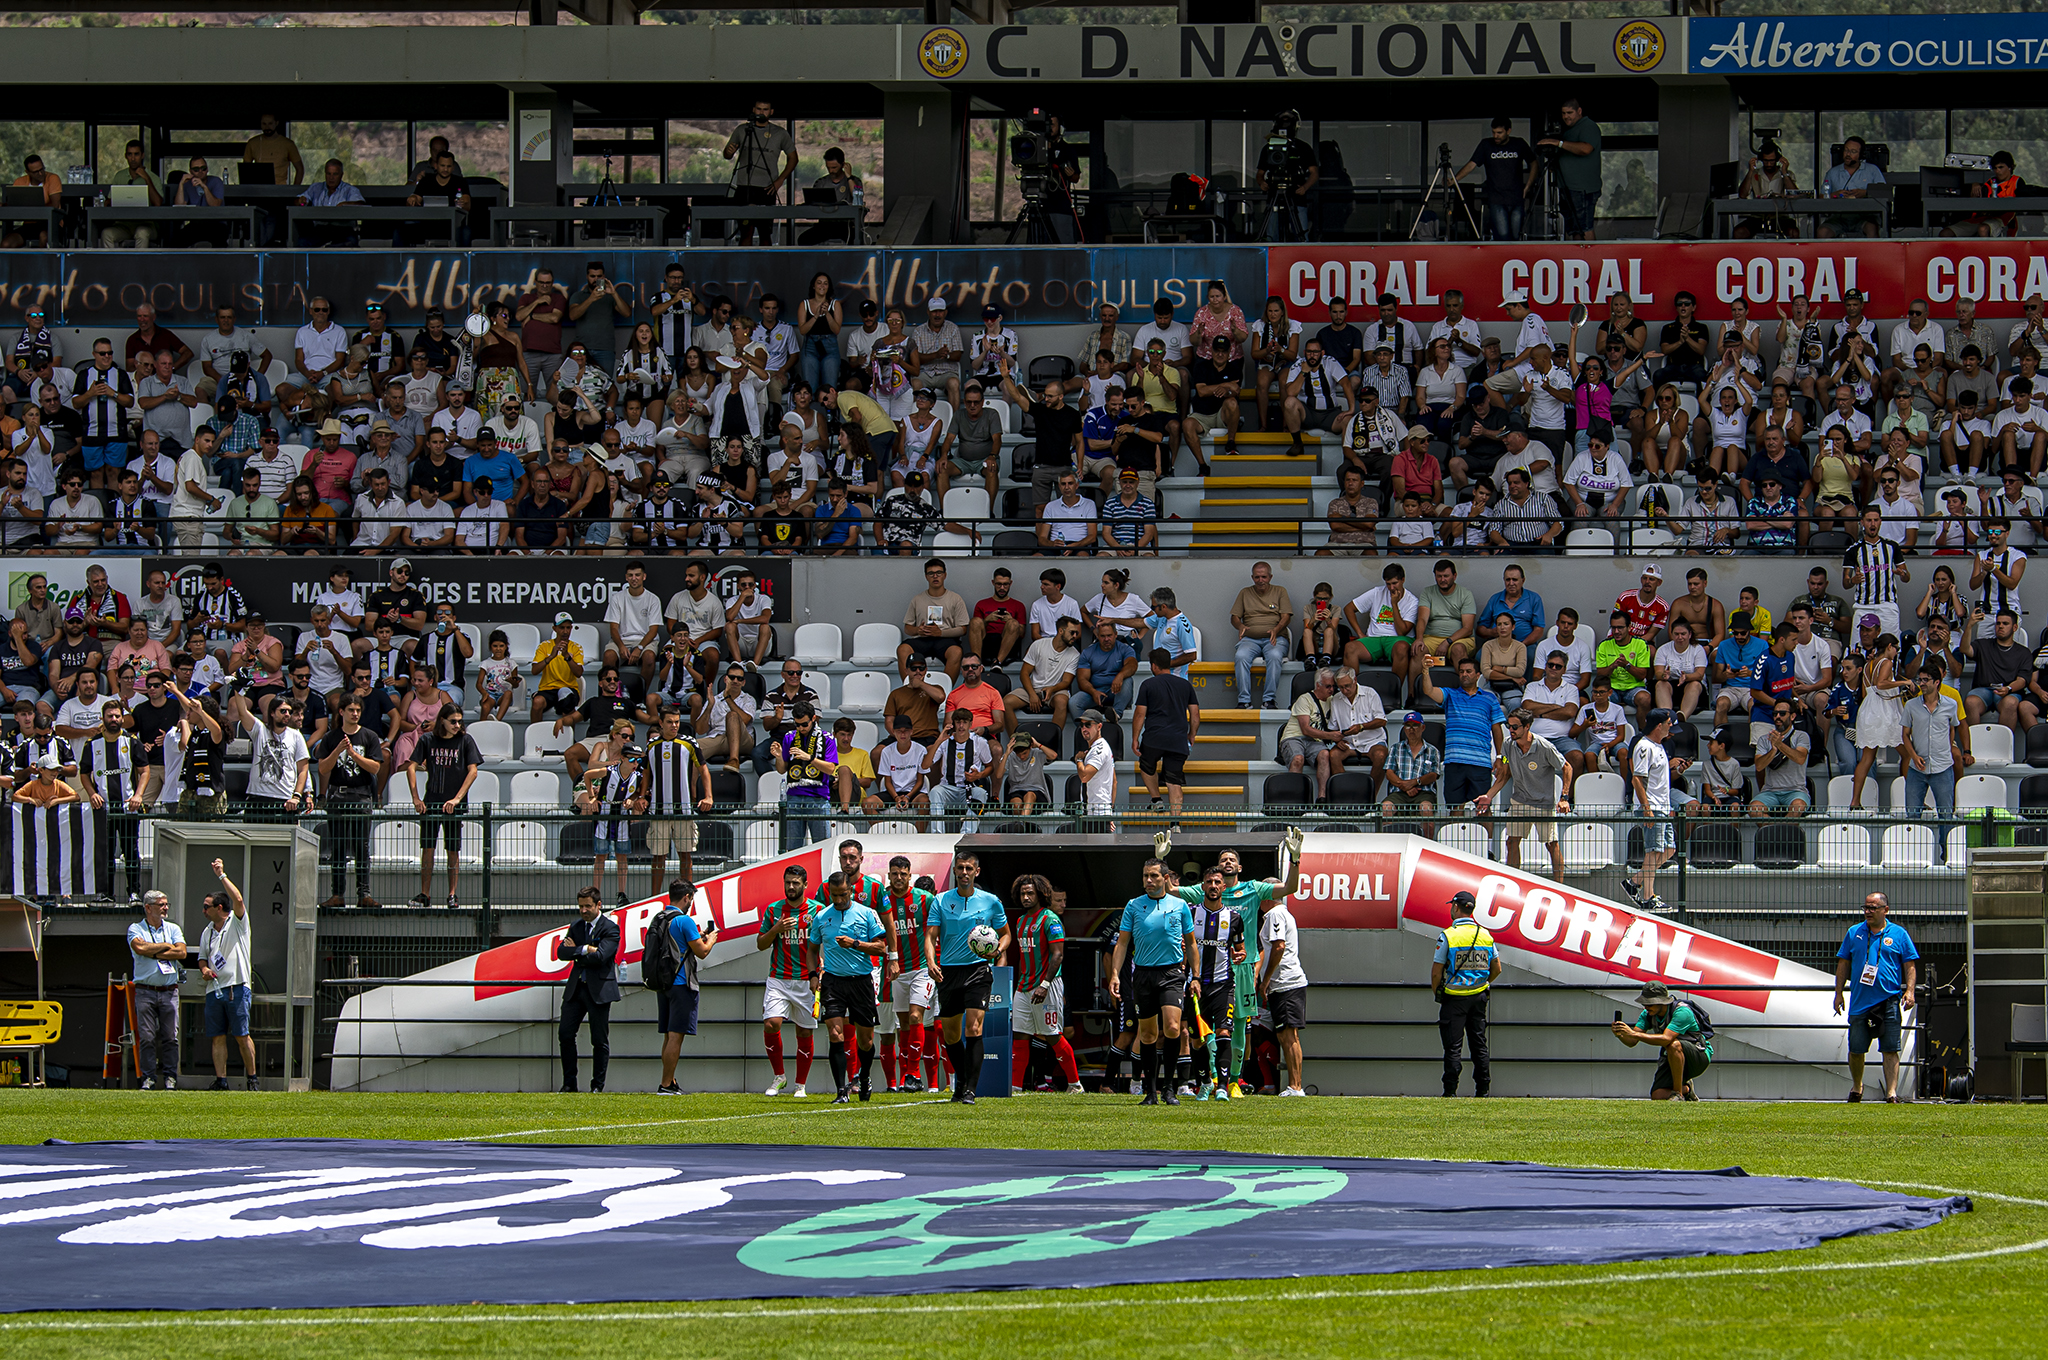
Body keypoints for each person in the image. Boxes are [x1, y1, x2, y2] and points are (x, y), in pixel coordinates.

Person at [924, 850, 1009, 1105]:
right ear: (954, 871)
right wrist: (930, 962)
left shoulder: (991, 901)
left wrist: (998, 949)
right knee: (950, 1035)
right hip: (948, 971)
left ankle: (970, 1090)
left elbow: (1006, 934)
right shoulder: (940, 901)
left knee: (974, 1028)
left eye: (969, 869)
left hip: (978, 970)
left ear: (976, 872)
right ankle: (961, 1081)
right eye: (960, 868)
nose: (964, 873)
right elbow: (930, 936)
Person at [803, 869, 888, 1103]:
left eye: (842, 895)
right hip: (832, 981)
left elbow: (881, 948)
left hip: (861, 981)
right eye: (834, 895)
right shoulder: (822, 917)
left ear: (851, 890)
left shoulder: (867, 914)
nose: (839, 900)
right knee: (834, 1033)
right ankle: (841, 1090)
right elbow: (811, 949)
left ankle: (865, 1076)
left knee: (866, 1040)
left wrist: (855, 944)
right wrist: (812, 975)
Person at [1833, 892, 1922, 1103]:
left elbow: (1909, 964)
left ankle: (1891, 1093)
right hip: (1860, 1002)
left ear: (1885, 910)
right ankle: (1857, 1088)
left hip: (1889, 1000)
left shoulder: (1899, 934)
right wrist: (1838, 993)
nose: (1868, 912)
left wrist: (1910, 991)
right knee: (1856, 1049)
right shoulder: (1854, 933)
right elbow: (1843, 963)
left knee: (1891, 1048)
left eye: (1873, 908)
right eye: (1865, 908)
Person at [405, 704, 480, 909]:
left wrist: (457, 799)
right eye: (453, 721)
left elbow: (472, 771)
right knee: (428, 849)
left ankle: (452, 894)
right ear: (442, 721)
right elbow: (411, 766)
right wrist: (415, 798)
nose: (457, 725)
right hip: (431, 802)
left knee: (453, 850)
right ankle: (425, 894)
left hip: (454, 805)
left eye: (459, 721)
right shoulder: (427, 739)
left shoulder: (465, 740)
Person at [194, 859, 258, 1091]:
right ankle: (221, 1080)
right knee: (217, 1036)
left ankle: (252, 1079)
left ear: (219, 908)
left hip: (238, 987)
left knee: (242, 1035)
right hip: (214, 990)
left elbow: (238, 900)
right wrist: (204, 970)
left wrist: (221, 875)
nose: (203, 911)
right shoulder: (208, 931)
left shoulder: (238, 923)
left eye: (206, 906)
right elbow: (202, 958)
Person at [1487, 708, 1573, 875]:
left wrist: (1564, 797)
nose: (1510, 730)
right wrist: (1488, 796)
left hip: (1544, 804)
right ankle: (1514, 881)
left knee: (1551, 844)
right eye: (1508, 726)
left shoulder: (1544, 746)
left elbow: (1567, 767)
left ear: (1527, 727)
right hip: (1519, 801)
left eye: (1515, 727)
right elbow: (1504, 774)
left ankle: (1560, 888)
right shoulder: (1507, 744)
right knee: (1511, 842)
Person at [1434, 890, 1502, 1097]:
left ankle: (1450, 1091)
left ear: (1455, 907)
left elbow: (1437, 971)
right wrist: (1482, 983)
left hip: (1454, 998)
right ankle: (1483, 1090)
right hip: (1479, 998)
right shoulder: (1485, 935)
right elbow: (1497, 968)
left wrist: (1438, 992)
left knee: (1453, 1047)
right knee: (1479, 1045)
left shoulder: (1448, 935)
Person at [554, 888, 620, 1093]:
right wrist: (584, 948)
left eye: (588, 906)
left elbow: (601, 957)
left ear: (599, 905)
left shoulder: (611, 928)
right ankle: (569, 1083)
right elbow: (561, 952)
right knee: (565, 1034)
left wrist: (578, 952)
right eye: (581, 906)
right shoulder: (576, 926)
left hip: (599, 990)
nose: (584, 910)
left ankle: (597, 1086)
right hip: (576, 989)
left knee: (599, 1039)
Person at [125, 887, 185, 1089]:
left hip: (169, 991)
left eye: (166, 904)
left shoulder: (173, 928)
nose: (166, 908)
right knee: (148, 1037)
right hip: (145, 991)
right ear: (148, 908)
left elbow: (182, 953)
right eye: (161, 905)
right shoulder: (136, 928)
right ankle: (148, 1077)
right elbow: (139, 948)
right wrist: (167, 946)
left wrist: (153, 952)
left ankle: (170, 1077)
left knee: (170, 1037)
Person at [1132, 646, 1198, 829]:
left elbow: (1139, 714)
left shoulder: (1148, 685)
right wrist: (1191, 734)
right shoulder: (1185, 685)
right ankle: (1175, 823)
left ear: (1153, 666)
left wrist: (1135, 738)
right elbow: (1195, 714)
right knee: (1174, 780)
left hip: (1154, 737)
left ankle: (1156, 799)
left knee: (1146, 764)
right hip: (1178, 739)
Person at [1611, 981, 1709, 1101]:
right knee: (1657, 1095)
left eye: (1650, 1004)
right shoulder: (1647, 1014)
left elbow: (1666, 1039)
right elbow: (1632, 1041)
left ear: (1662, 1002)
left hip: (1698, 1056)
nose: (1646, 1007)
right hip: (1672, 1056)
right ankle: (1687, 1089)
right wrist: (1621, 1034)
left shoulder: (1682, 1012)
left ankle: (1678, 1094)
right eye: (1644, 1003)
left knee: (1673, 1044)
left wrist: (1632, 1033)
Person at [1255, 883, 1309, 1097]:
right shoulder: (1281, 914)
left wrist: (1265, 980)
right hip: (1285, 983)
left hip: (1286, 983)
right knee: (1286, 1035)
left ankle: (1296, 1087)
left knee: (1288, 1036)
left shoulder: (1275, 914)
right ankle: (1294, 1086)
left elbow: (1279, 946)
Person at [721, 99, 797, 246]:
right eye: (758, 109)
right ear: (753, 109)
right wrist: (728, 152)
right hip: (744, 187)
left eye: (765, 109)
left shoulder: (780, 133)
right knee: (745, 232)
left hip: (767, 189)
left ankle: (766, 266)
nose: (761, 112)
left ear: (771, 112)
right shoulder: (742, 130)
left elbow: (793, 158)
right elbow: (727, 154)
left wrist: (780, 180)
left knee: (765, 233)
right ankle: (744, 265)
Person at [1623, 708, 1677, 914]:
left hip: (1662, 807)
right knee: (1653, 852)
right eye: (1669, 722)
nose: (1671, 725)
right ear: (1658, 725)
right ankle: (1648, 897)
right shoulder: (1644, 746)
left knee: (1669, 850)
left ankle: (1634, 883)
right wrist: (1646, 808)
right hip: (1652, 807)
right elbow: (1637, 778)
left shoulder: (1659, 746)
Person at [1456, 117, 1535, 241]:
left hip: (1517, 198)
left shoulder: (1519, 143)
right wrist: (1454, 180)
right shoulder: (1486, 145)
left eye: (1499, 133)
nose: (1496, 136)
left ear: (1508, 131)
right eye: (1493, 132)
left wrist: (1529, 185)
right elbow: (1472, 164)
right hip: (1496, 199)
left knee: (1516, 236)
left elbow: (1534, 162)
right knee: (1502, 236)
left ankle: (1513, 260)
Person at [1231, 561, 1294, 711]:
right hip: (1250, 639)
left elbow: (1286, 616)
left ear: (1270, 577)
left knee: (1274, 656)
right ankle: (1244, 701)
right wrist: (1240, 626)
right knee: (1240, 656)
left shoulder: (1280, 591)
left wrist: (1276, 629)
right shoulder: (1245, 592)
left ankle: (1269, 700)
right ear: (1252, 577)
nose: (1261, 580)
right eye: (1257, 577)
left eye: (1264, 577)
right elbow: (1234, 617)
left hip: (1275, 638)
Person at [1537, 97, 1601, 241]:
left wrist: (1557, 143)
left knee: (1585, 227)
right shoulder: (1569, 131)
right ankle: (1577, 259)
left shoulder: (1588, 126)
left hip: (1583, 188)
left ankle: (1590, 259)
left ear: (1579, 111)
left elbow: (1586, 149)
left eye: (1570, 112)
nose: (1566, 116)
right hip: (1567, 187)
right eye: (1564, 113)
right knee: (1573, 229)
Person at [1819, 135, 1886, 239]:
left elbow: (1884, 193)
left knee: (1872, 228)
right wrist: (1834, 195)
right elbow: (1821, 197)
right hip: (1838, 218)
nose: (1848, 154)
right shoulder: (1832, 173)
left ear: (1861, 154)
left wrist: (1865, 193)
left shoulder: (1872, 170)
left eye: (1853, 151)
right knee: (1823, 232)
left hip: (1865, 217)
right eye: (1846, 150)